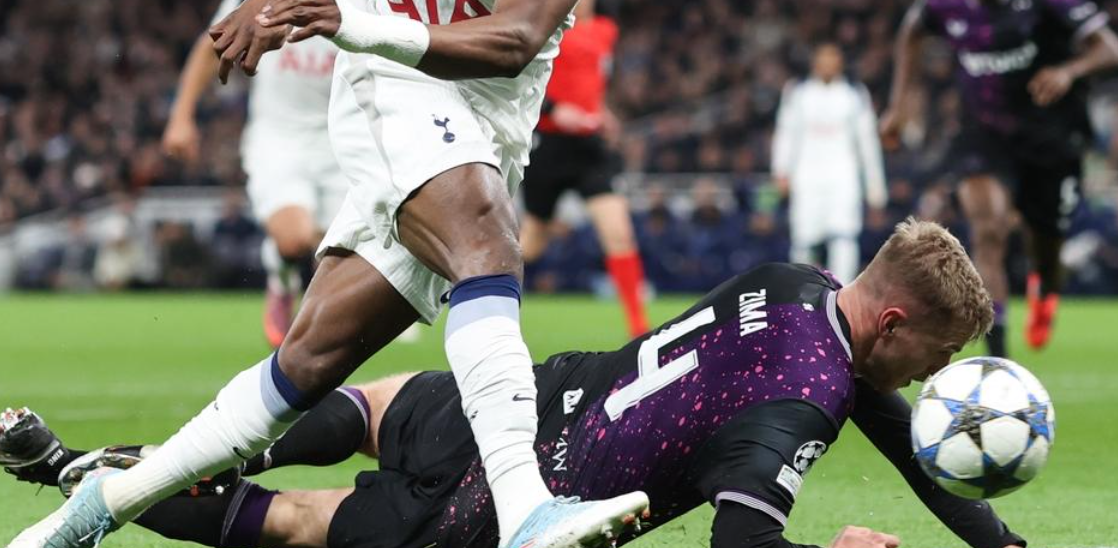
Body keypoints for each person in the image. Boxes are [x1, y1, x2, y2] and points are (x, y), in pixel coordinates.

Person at [7, 0, 644, 548]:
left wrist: (352, 20)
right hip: (394, 88)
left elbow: (514, 40)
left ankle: (90, 511)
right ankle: (528, 510)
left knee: (306, 364)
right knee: (486, 241)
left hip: (486, 117)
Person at [4, 219, 1025, 548]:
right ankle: (70, 475)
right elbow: (742, 543)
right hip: (507, 510)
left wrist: (1002, 543)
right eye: (936, 356)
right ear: (893, 324)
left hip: (520, 401)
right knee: (297, 523)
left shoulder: (797, 287)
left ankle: (82, 466)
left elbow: (901, 435)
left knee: (361, 407)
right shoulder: (800, 402)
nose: (931, 377)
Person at [879, 0, 1118, 356]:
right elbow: (910, 30)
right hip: (984, 133)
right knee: (988, 230)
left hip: (1050, 133)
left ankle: (1045, 290)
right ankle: (999, 359)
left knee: (1045, 243)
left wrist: (1069, 70)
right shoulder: (945, 2)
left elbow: (1112, 48)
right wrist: (898, 108)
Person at [162, 0, 371, 346]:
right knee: (294, 239)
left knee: (336, 255)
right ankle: (281, 278)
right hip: (278, 138)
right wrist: (181, 116)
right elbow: (211, 46)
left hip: (343, 142)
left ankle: (312, 335)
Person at [520, 0, 649, 336]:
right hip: (549, 145)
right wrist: (554, 110)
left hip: (590, 148)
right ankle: (483, 303)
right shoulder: (546, 28)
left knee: (619, 233)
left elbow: (593, 84)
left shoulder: (606, 31)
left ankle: (639, 328)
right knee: (531, 242)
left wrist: (602, 113)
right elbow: (523, 78)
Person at [772, 43, 887, 284]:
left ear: (840, 63)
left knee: (844, 235)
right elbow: (786, 133)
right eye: (823, 58)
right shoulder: (798, 92)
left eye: (832, 58)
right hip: (806, 174)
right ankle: (800, 291)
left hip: (843, 175)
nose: (827, 64)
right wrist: (781, 171)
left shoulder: (854, 94)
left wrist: (875, 186)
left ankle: (840, 291)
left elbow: (867, 141)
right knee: (803, 237)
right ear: (814, 62)